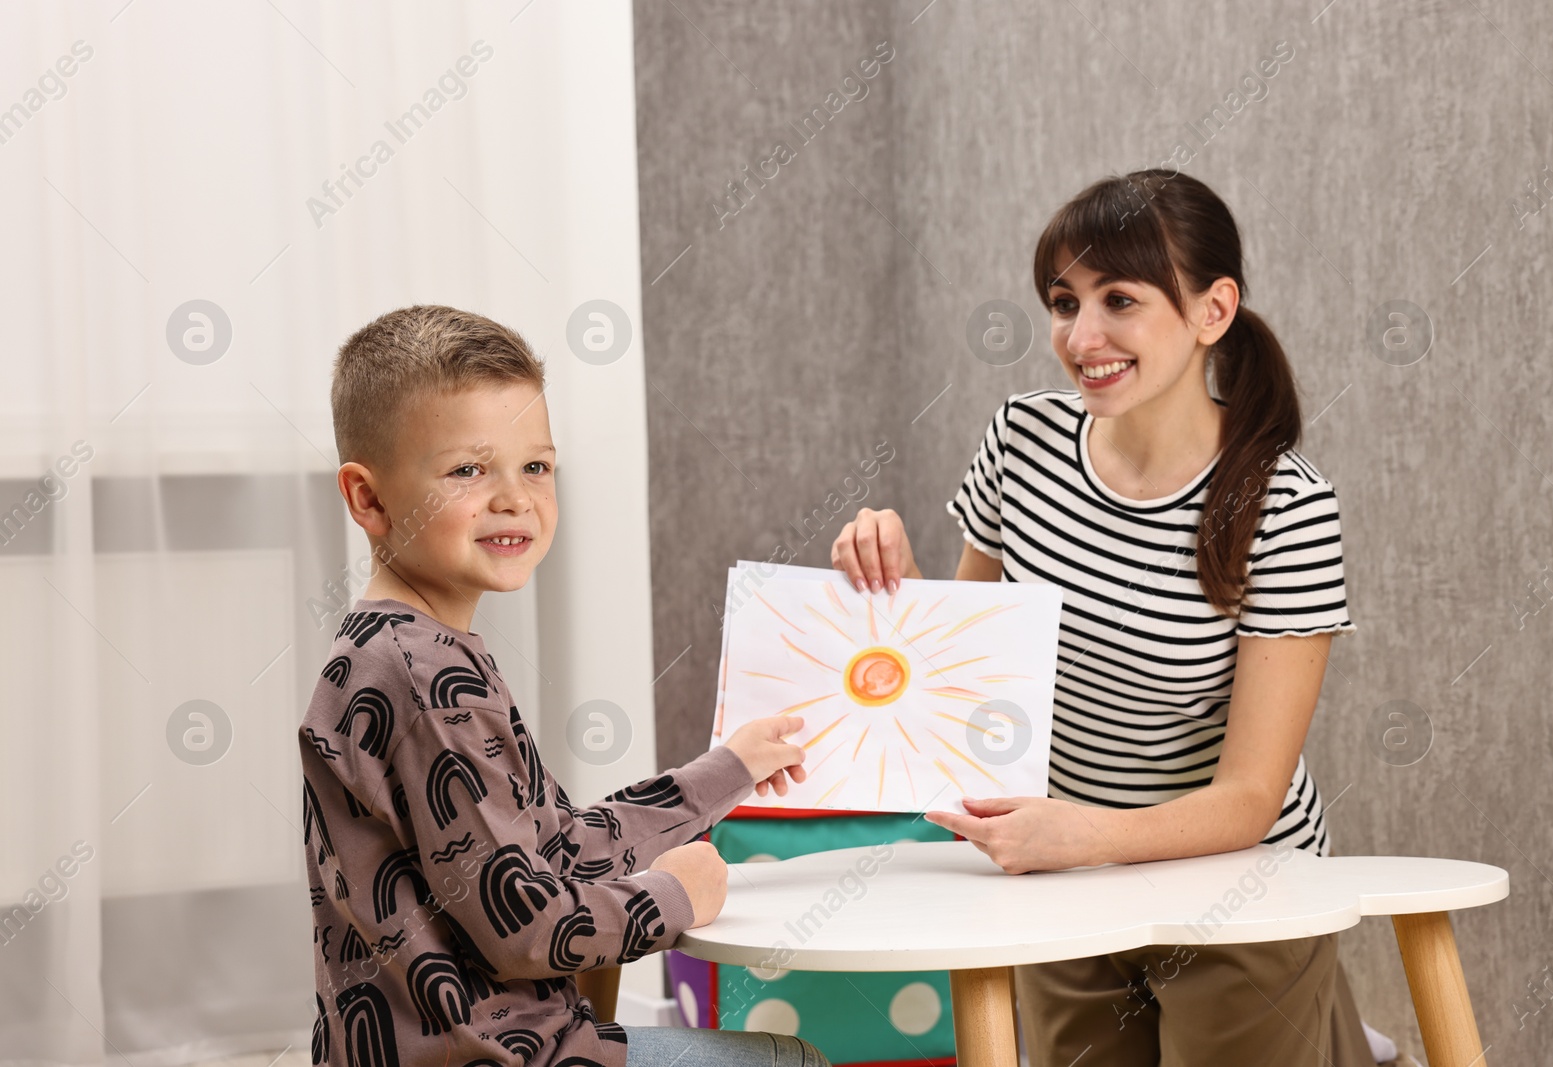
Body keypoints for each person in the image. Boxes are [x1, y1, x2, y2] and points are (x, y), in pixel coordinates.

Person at [831, 171, 1390, 1066]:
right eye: (1063, 302)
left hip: (1236, 889)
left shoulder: (1284, 502)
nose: (1081, 337)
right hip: (1065, 880)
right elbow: (964, 685)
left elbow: (1249, 798)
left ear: (1214, 311)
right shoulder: (1023, 442)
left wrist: (1077, 833)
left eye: (1119, 300)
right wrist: (887, 588)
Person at [301, 305, 825, 1067]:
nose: (515, 497)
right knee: (796, 1061)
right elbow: (532, 929)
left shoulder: (392, 650)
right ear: (369, 499)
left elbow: (547, 847)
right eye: (468, 469)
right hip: (502, 1054)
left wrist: (726, 771)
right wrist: (678, 896)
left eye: (536, 465)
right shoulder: (426, 676)